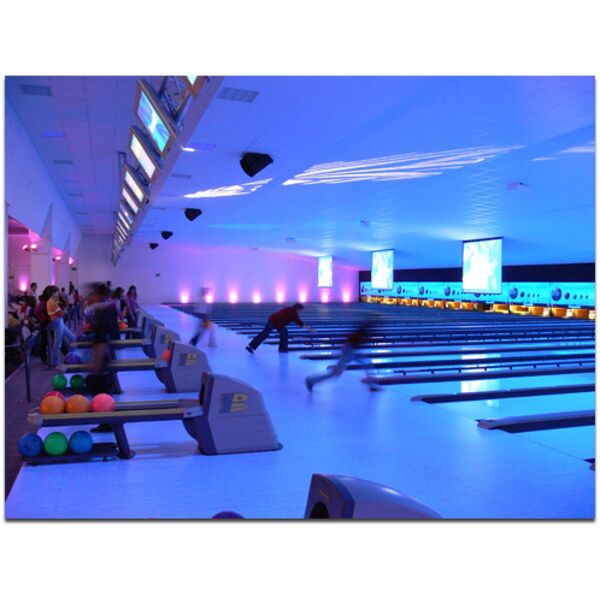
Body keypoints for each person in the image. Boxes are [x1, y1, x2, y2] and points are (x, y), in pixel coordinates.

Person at [305, 321, 381, 392]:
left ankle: (373, 385)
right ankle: (311, 381)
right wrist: (345, 349)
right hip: (350, 351)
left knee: (368, 366)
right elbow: (350, 339)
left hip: (354, 351)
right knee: (335, 374)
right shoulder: (364, 330)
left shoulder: (366, 330)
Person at [46, 286, 76, 367]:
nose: (58, 293)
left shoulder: (52, 301)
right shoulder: (51, 302)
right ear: (52, 293)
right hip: (57, 321)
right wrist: (63, 311)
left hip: (59, 321)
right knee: (58, 342)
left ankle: (69, 357)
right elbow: (62, 313)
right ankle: (55, 362)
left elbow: (64, 306)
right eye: (56, 291)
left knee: (73, 338)